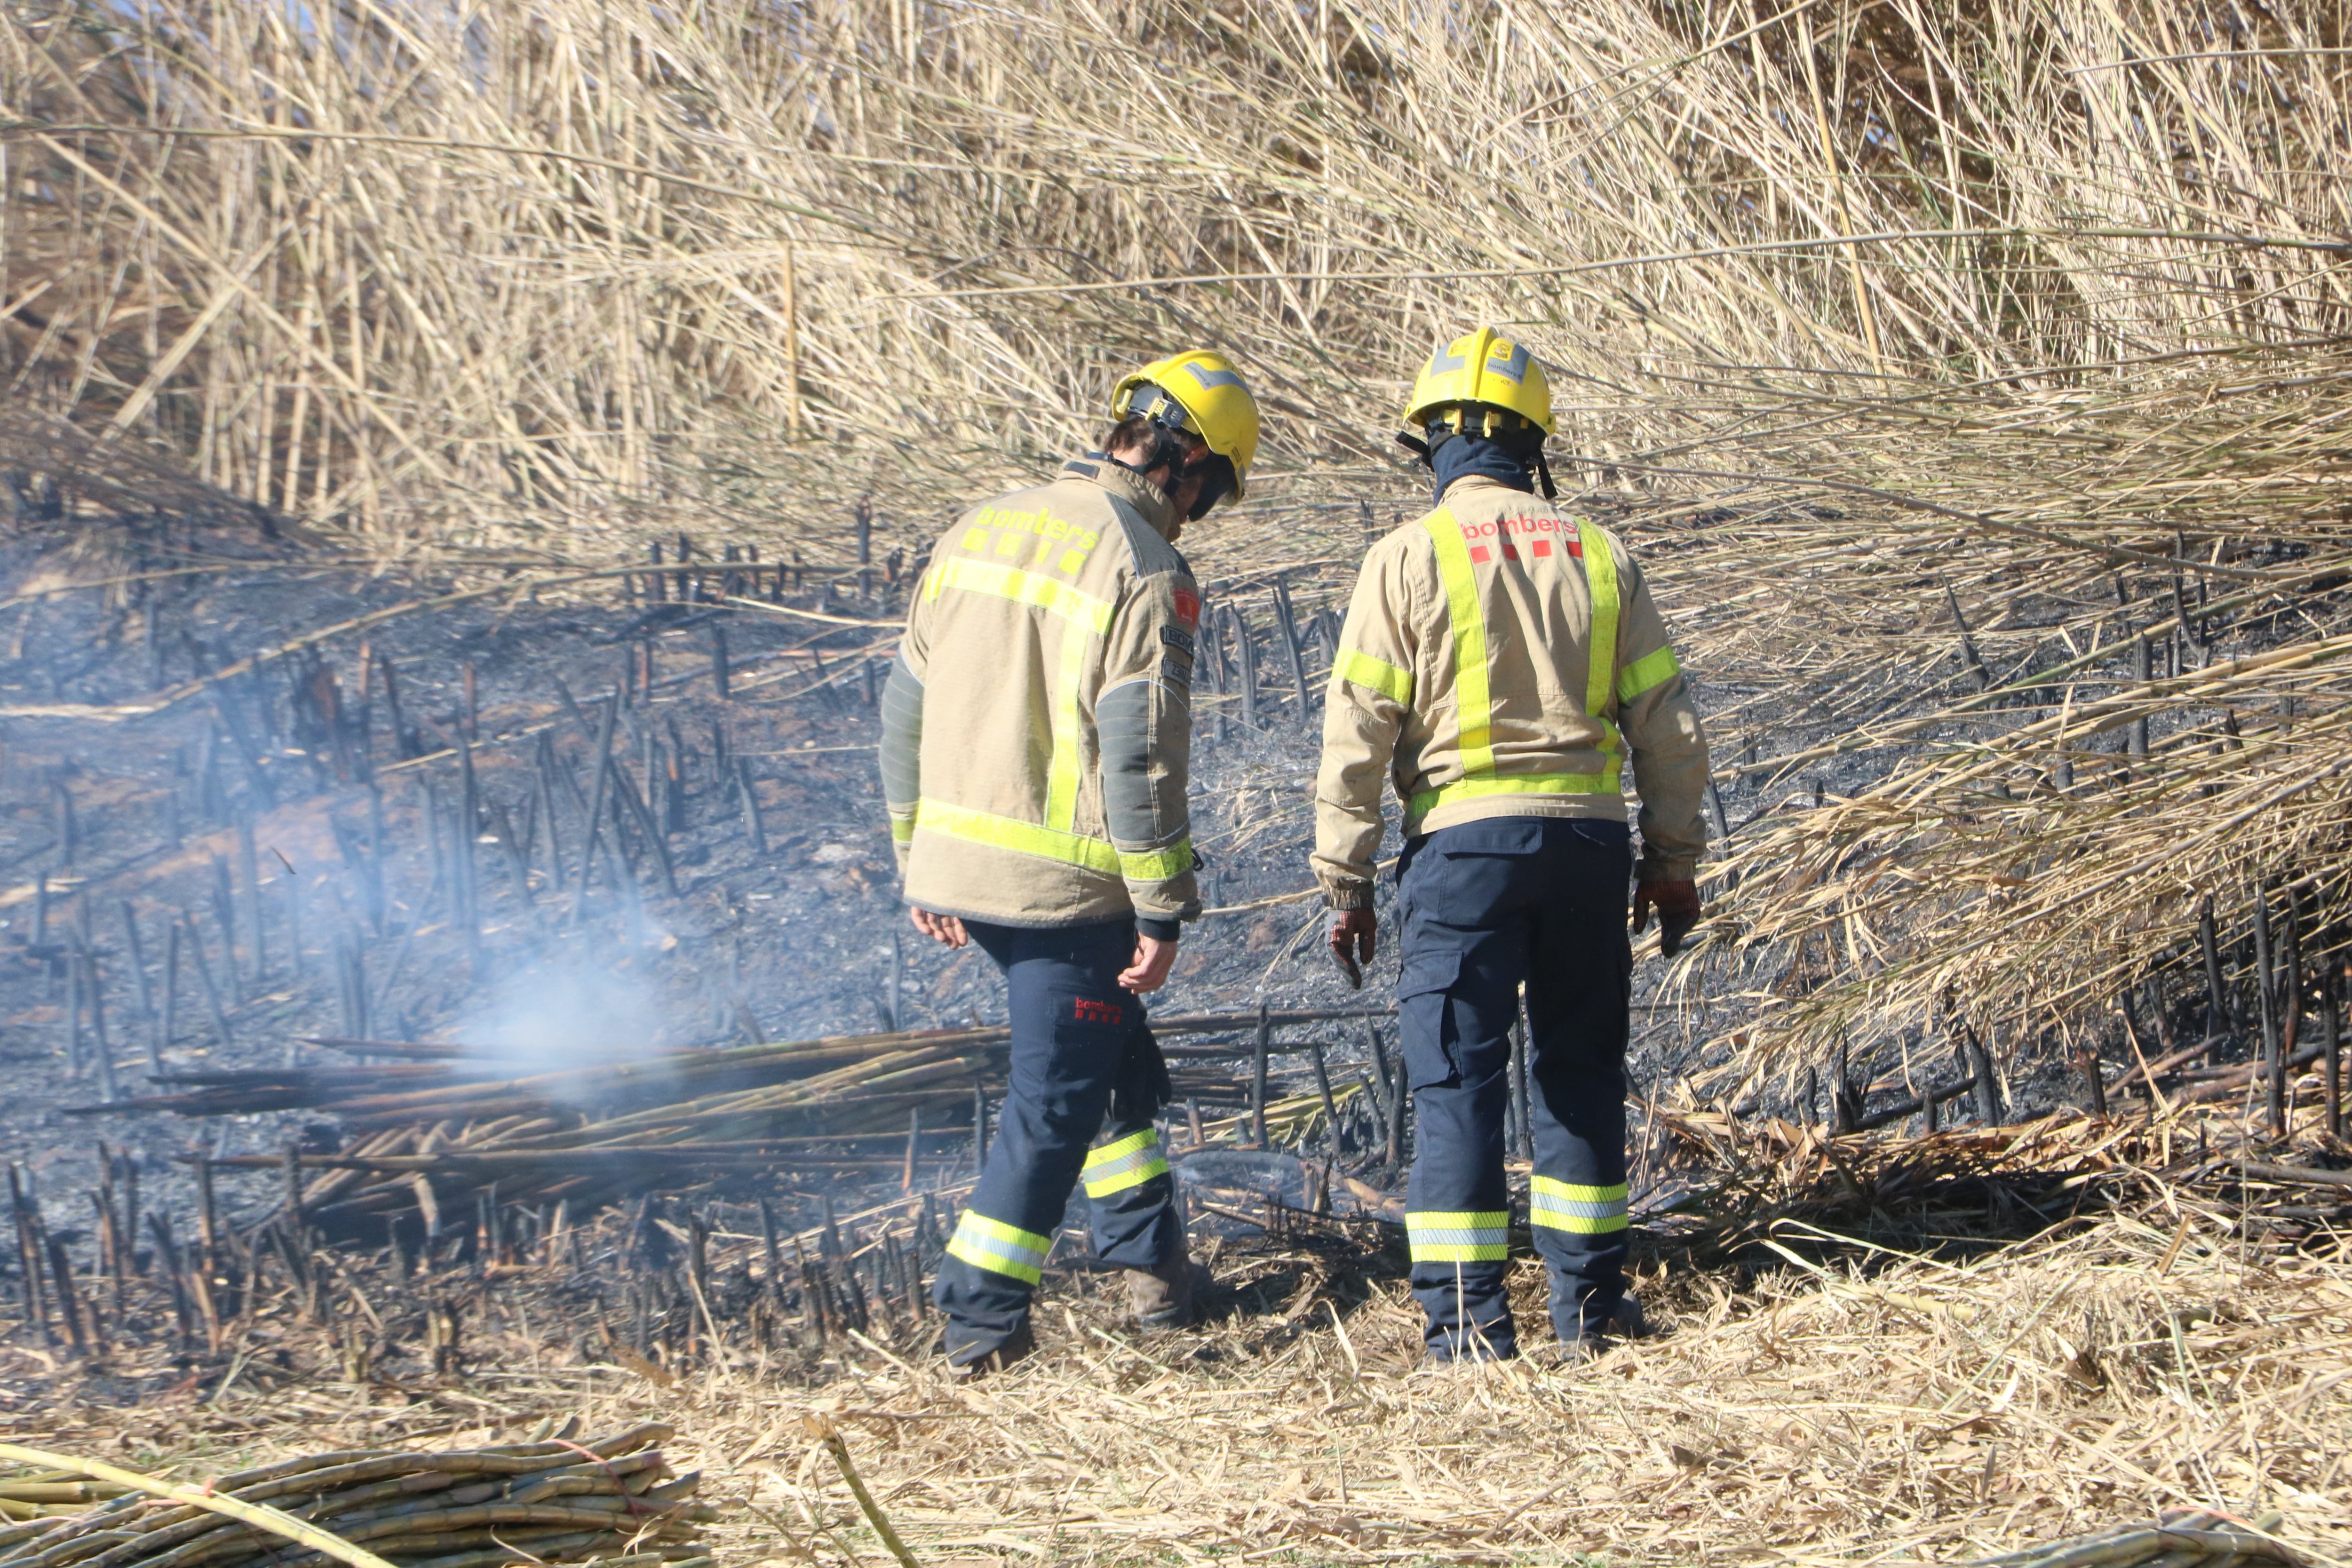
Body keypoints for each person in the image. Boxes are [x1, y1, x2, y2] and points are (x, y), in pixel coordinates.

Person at [1311, 327, 1710, 1362]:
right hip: (1587, 848)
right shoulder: (1599, 552)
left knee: (1456, 1083)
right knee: (1579, 1073)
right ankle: (1593, 1314)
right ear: (1532, 443)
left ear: (1430, 445)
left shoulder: (1403, 557)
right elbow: (1665, 722)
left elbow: (1359, 729)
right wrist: (1671, 862)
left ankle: (1468, 1333)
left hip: (1462, 855)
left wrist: (1343, 878)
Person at [880, 350, 1260, 1377]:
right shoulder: (1144, 567)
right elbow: (1137, 753)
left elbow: (904, 707)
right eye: (1212, 491)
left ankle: (1153, 1269)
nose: (1200, 515)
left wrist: (918, 850)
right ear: (1184, 462)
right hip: (1063, 891)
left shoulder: (977, 525)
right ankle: (980, 1320)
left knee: (1118, 1070)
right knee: (1054, 1104)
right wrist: (1162, 905)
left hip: (963, 868)